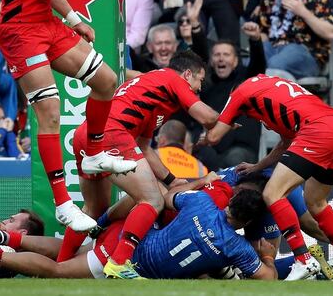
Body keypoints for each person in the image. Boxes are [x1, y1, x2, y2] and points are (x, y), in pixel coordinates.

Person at [0, 0, 135, 233]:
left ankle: (94, 153)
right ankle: (62, 202)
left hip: (46, 25)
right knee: (51, 113)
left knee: (106, 81)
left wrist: (73, 20)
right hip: (21, 34)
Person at [60, 51, 219, 279]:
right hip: (110, 134)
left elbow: (144, 148)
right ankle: (119, 262)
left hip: (86, 134)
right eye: (199, 80)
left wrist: (171, 179)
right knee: (152, 200)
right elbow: (208, 118)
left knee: (93, 210)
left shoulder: (155, 94)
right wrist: (234, 113)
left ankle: (59, 266)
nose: (199, 88)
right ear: (187, 74)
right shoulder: (172, 79)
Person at [207, 74, 333, 280]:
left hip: (317, 131)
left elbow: (213, 137)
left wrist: (223, 124)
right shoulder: (271, 86)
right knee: (317, 203)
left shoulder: (239, 93)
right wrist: (258, 166)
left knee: (272, 193)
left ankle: (303, 259)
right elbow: (285, 143)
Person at [0, 185, 277, 280]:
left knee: (151, 194)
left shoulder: (201, 202)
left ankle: (6, 238)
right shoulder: (237, 248)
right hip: (129, 258)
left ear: (233, 199)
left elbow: (167, 196)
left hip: (129, 232)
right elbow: (268, 279)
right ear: (246, 223)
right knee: (57, 271)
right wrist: (268, 255)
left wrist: (197, 183)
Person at [248, 0, 333, 80]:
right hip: (274, 47)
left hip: (306, 53)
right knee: (253, 62)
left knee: (276, 63)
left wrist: (303, 12)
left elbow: (331, 34)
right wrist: (255, 34)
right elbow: (264, 35)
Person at [198, 38, 265, 170]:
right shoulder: (206, 86)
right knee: (200, 154)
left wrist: (255, 41)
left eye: (226, 54)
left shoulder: (247, 79)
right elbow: (199, 54)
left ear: (235, 61)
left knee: (233, 158)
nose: (221, 59)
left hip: (242, 149)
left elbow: (258, 65)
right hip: (213, 148)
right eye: (217, 55)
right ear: (212, 61)